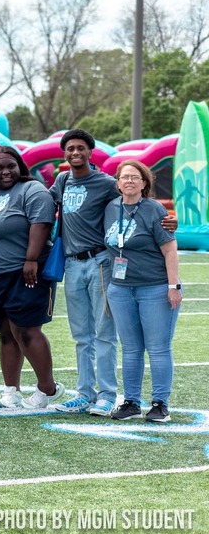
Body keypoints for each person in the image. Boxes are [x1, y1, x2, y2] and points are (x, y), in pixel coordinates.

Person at [51, 129, 177, 416]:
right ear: (64, 153)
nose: (75, 153)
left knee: (104, 334)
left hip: (101, 264)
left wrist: (168, 222)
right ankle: (84, 393)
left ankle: (107, 394)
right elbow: (43, 206)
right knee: (81, 335)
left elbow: (139, 203)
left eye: (81, 148)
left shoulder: (107, 183)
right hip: (72, 264)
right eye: (70, 148)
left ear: (90, 151)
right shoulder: (62, 180)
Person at [0, 146, 64, 409]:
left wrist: (31, 258)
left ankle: (48, 388)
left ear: (19, 166)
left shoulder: (31, 190)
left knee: (26, 330)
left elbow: (42, 223)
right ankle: (11, 390)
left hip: (25, 271)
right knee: (5, 333)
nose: (5, 171)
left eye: (10, 165)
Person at [104, 160, 182, 423]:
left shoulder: (153, 209)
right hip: (120, 289)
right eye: (124, 177)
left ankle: (160, 404)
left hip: (155, 288)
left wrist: (174, 286)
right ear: (117, 182)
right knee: (131, 348)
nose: (129, 181)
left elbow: (170, 250)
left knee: (158, 348)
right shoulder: (111, 208)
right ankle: (131, 402)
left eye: (135, 177)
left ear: (144, 183)